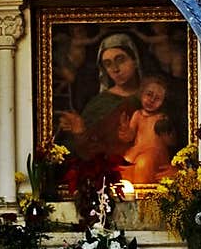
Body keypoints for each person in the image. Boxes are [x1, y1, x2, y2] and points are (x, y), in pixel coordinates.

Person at [56, 33, 144, 162]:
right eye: (108, 64)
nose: (115, 69)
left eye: (120, 60)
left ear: (135, 60)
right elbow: (87, 151)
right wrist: (79, 132)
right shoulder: (100, 103)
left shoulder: (153, 96)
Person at [121, 73, 179, 183]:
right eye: (149, 94)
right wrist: (125, 129)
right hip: (138, 149)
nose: (152, 100)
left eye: (157, 98)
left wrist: (166, 134)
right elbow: (130, 136)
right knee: (125, 163)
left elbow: (171, 142)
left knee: (144, 163)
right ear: (141, 93)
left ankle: (145, 195)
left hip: (155, 153)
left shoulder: (162, 117)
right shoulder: (137, 115)